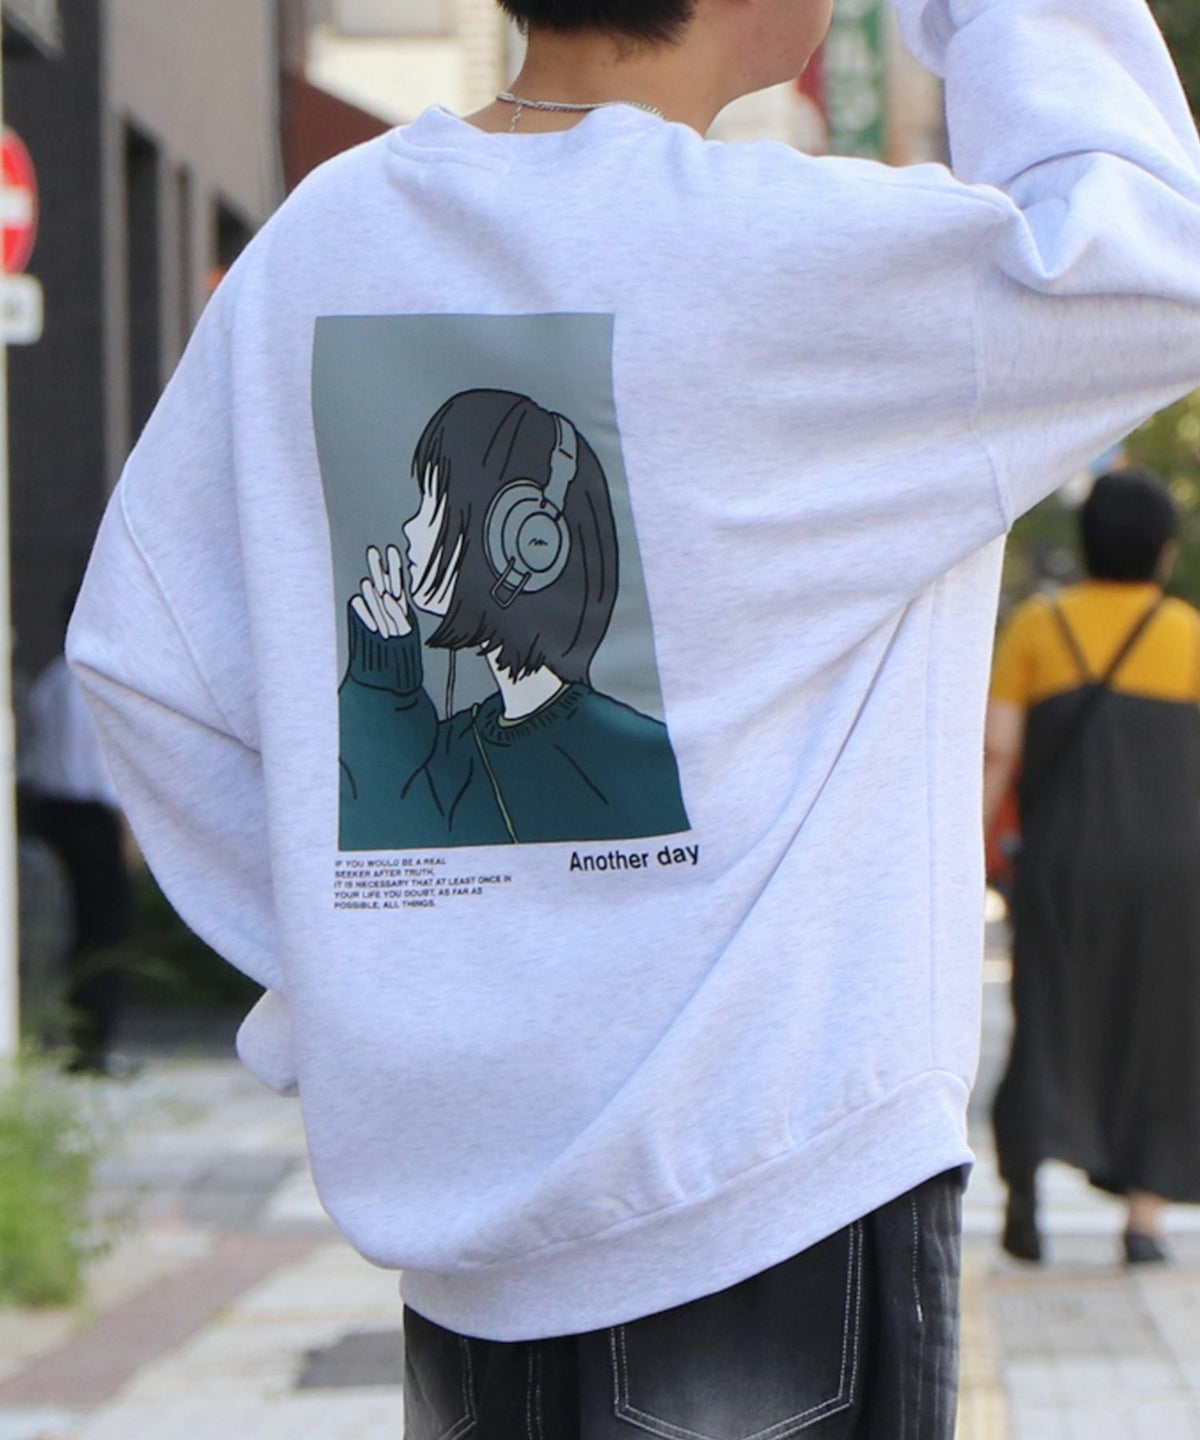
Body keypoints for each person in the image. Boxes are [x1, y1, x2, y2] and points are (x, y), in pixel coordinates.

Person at [64, 0, 1200, 1432]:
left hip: (466, 1247)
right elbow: (1156, 257)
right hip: (769, 1195)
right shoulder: (800, 250)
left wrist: (370, 986)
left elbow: (144, 663)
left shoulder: (318, 244)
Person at [984, 469, 1200, 1267]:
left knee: (1045, 1018)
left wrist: (964, 856)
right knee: (1164, 1030)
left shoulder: (1040, 628)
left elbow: (998, 753)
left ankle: (1025, 1187)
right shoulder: (1188, 634)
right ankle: (1144, 1221)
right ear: (1165, 552)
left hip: (1061, 865)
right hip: (1172, 871)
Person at [339, 388, 691, 849]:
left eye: (432, 501)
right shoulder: (457, 746)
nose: (410, 526)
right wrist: (383, 684)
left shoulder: (630, 766)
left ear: (525, 543)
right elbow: (373, 839)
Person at [20, 649, 134, 1072]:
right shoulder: (92, 677)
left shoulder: (52, 678)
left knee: (62, 928)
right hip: (90, 815)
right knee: (102, 929)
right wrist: (125, 829)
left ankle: (63, 1034)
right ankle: (91, 1044)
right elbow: (103, 765)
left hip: (49, 810)